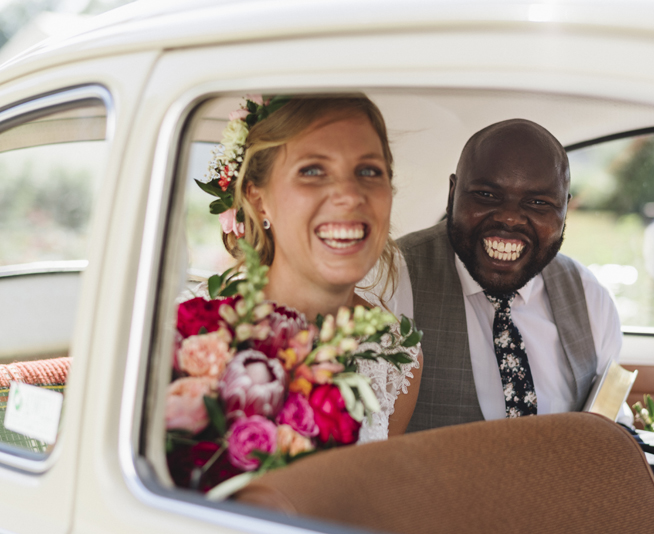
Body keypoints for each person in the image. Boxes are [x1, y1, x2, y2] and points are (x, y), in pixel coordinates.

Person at [386, 118, 622, 432]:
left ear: (564, 211)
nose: (509, 218)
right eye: (487, 195)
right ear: (453, 193)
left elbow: (608, 422)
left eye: (538, 203)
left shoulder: (590, 297)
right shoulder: (390, 281)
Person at [216, 95, 422, 441]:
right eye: (312, 171)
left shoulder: (398, 354)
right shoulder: (201, 335)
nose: (349, 195)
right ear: (258, 199)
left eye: (369, 171)